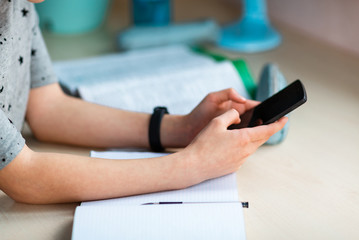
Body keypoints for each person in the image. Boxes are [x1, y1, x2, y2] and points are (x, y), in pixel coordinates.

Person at [0, 0, 287, 204]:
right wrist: (192, 166)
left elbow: (49, 109)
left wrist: (181, 129)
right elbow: (23, 175)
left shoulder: (20, 5)